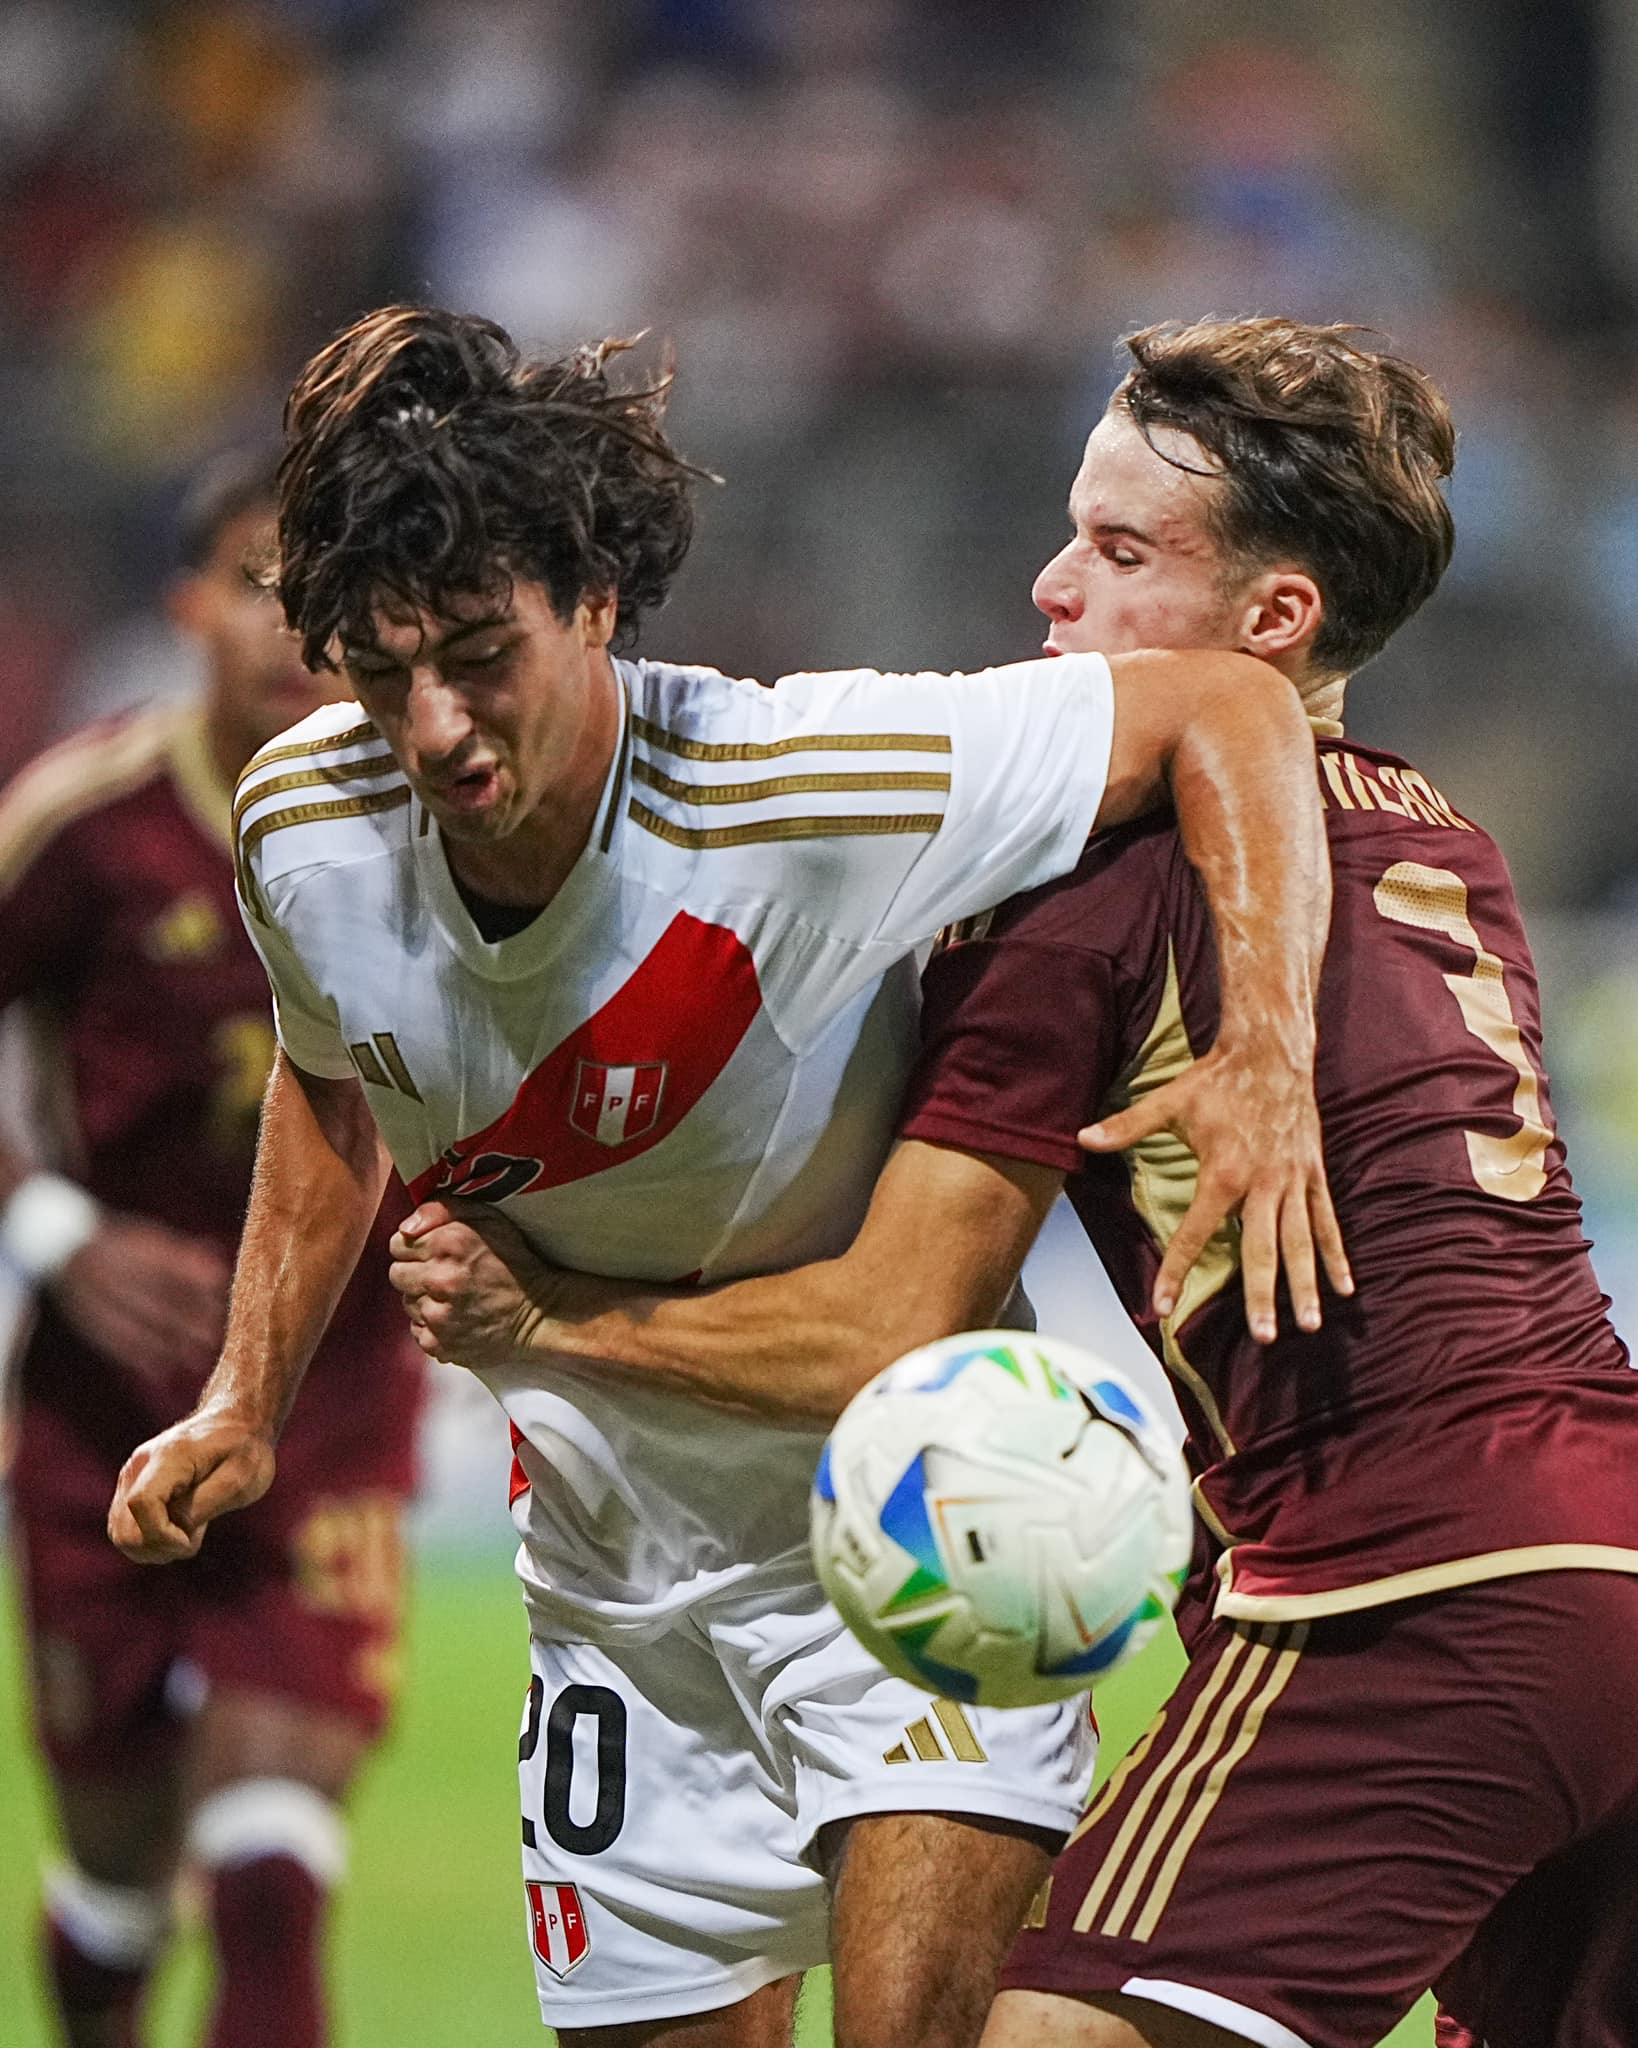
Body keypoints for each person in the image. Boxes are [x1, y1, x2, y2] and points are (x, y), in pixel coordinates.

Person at [107, 306, 1347, 2048]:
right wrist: (246, 1396)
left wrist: (1266, 1054)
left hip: (929, 1530)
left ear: (592, 600)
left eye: (481, 653)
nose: (438, 727)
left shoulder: (801, 780)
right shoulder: (304, 824)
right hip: (611, 1583)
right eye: (382, 674)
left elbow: (1224, 704)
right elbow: (334, 1086)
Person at [393, 317, 1638, 2048]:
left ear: (1272, 624)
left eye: (1121, 554)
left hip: (1400, 1590)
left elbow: (886, 1329)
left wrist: (550, 1319)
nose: (1051, 587)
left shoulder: (1086, 884)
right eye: (1071, 529)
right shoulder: (1440, 836)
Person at [0, 452, 425, 2048]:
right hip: (99, 1403)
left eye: (318, 586)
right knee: (114, 1882)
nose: (289, 623)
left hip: (331, 1406)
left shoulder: (434, 813)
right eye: (254, 579)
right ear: (188, 605)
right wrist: (56, 1234)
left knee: (267, 1872)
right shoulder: (85, 826)